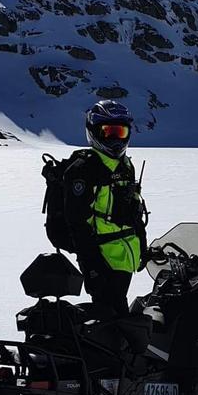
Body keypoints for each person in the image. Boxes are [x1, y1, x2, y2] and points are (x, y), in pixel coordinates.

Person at [62, 100, 147, 316]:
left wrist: (143, 246)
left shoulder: (126, 165)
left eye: (120, 132)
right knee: (112, 320)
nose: (115, 139)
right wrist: (92, 266)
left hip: (125, 257)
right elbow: (77, 223)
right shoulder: (84, 169)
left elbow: (134, 208)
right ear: (94, 133)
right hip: (101, 259)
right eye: (108, 132)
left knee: (119, 316)